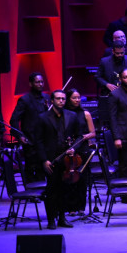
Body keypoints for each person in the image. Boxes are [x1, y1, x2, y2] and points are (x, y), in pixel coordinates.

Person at [35, 89, 83, 229]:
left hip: (67, 160)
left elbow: (79, 136)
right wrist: (44, 160)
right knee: (51, 190)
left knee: (65, 190)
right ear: (52, 101)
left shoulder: (72, 116)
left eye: (63, 98)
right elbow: (39, 141)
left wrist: (74, 148)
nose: (61, 101)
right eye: (58, 99)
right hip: (51, 160)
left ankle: (62, 218)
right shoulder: (43, 117)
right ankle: (51, 220)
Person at [10, 72, 50, 183]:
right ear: (31, 83)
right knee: (31, 168)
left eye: (42, 82)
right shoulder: (25, 99)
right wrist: (20, 136)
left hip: (45, 140)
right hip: (31, 140)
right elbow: (14, 119)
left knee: (44, 167)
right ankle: (31, 194)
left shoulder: (46, 98)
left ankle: (42, 193)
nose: (40, 84)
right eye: (37, 82)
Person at [64, 89, 96, 215]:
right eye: (74, 98)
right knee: (68, 179)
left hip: (82, 148)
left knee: (81, 178)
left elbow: (93, 133)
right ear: (68, 99)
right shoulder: (64, 113)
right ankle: (70, 207)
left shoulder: (85, 114)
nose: (77, 100)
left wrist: (83, 137)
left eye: (78, 97)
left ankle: (81, 207)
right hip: (67, 148)